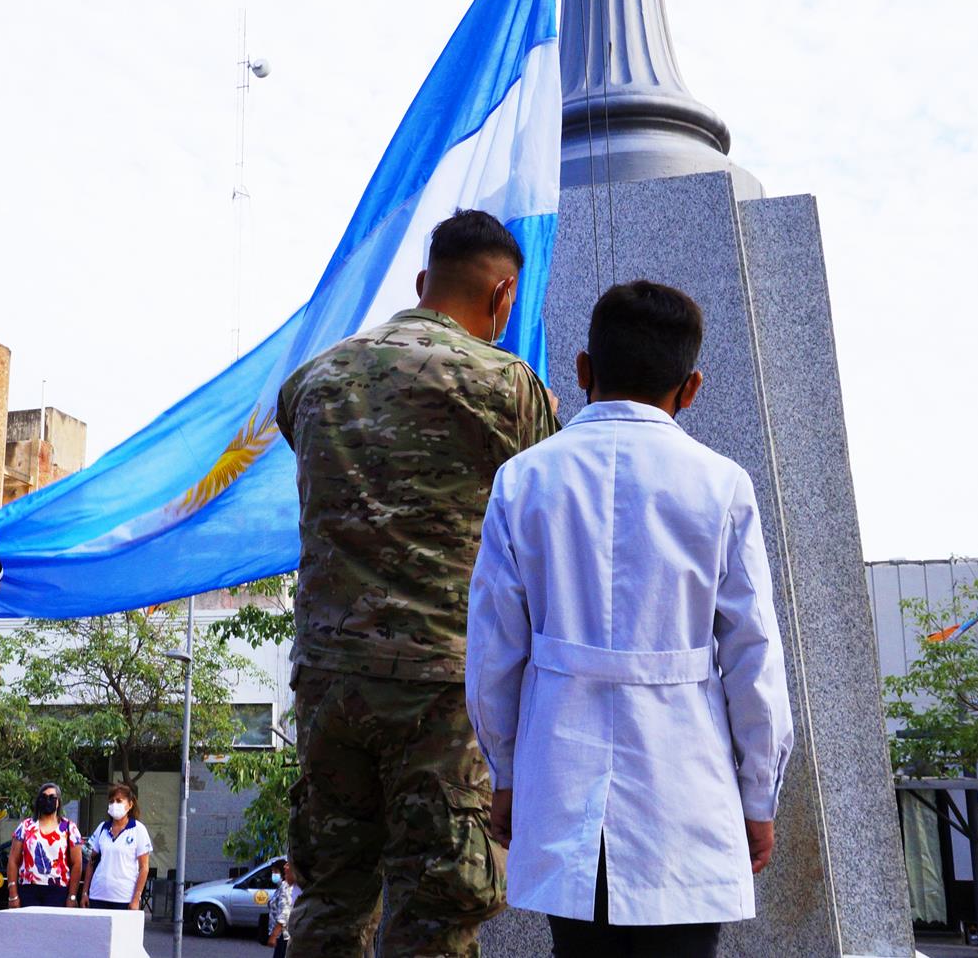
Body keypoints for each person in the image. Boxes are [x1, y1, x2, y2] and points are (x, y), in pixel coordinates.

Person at [464, 280, 794, 957]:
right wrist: (758, 793)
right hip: (685, 787)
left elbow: (493, 649)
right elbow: (754, 657)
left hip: (561, 775)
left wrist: (505, 772)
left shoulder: (524, 479)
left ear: (583, 369)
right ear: (692, 386)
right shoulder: (722, 485)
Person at [275, 208, 559, 957]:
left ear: (421, 281)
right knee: (437, 910)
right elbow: (545, 511)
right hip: (439, 688)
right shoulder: (508, 387)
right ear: (503, 297)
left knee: (330, 900)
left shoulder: (314, 379)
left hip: (327, 684)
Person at [7, 783, 82, 909]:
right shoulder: (26, 826)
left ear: (58, 802)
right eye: (44, 797)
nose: (48, 801)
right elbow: (13, 861)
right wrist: (13, 894)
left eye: (52, 798)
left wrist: (72, 896)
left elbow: (77, 864)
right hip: (28, 890)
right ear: (38, 801)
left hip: (58, 891)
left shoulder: (69, 828)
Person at [82, 784, 152, 912]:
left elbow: (144, 867)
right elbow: (91, 862)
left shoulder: (138, 830)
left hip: (124, 898)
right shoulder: (102, 828)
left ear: (130, 805)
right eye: (111, 801)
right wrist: (85, 892)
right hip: (98, 895)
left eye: (119, 801)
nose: (115, 804)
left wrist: (136, 898)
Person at [267, 858, 300, 958]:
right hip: (282, 934)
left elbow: (284, 912)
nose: (273, 874)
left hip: (283, 934)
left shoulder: (285, 887)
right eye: (272, 871)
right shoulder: (281, 887)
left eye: (276, 871)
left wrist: (274, 935)